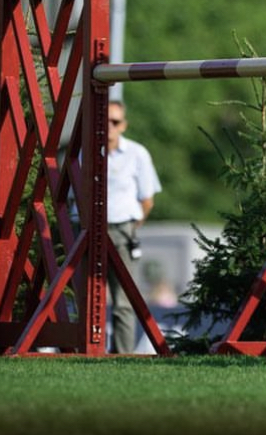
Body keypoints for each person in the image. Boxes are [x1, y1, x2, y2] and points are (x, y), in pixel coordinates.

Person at [104, 100, 161, 354]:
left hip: (122, 229)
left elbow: (147, 200)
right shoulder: (84, 151)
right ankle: (77, 350)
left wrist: (130, 228)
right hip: (84, 228)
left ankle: (122, 355)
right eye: (104, 120)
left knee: (123, 300)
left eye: (114, 121)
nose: (109, 127)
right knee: (82, 298)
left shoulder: (138, 153)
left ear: (123, 125)